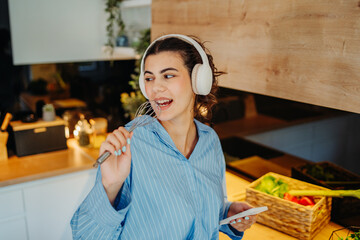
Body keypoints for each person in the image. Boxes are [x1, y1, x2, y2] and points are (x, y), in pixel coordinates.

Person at [71, 34, 257, 239]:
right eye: (149, 78)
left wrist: (227, 213)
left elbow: (200, 209)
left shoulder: (209, 140)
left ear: (198, 80)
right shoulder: (130, 144)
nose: (155, 87)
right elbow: (84, 236)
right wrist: (110, 186)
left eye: (168, 76)